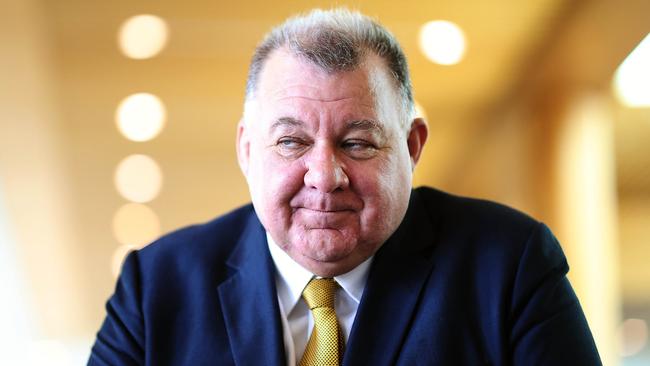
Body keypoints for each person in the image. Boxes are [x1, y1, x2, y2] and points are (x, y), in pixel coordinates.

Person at [89, 8, 601, 365]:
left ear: (412, 147)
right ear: (247, 150)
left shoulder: (508, 266)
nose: (324, 176)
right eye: (291, 142)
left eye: (358, 143)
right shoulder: (155, 288)